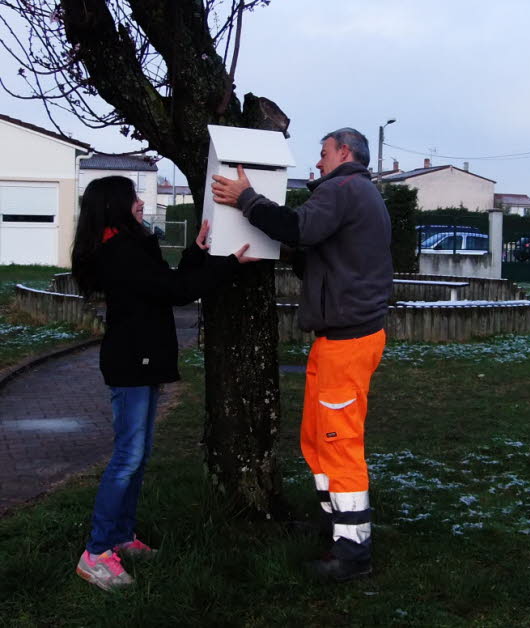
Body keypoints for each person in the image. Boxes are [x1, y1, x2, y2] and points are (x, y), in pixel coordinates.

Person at [212, 127, 393, 582]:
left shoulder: (344, 188)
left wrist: (247, 199)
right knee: (317, 439)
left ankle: (353, 555)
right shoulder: (358, 193)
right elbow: (319, 251)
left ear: (345, 152)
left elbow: (298, 227)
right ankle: (338, 529)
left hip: (347, 341)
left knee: (339, 443)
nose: (318, 163)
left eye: (323, 153)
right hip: (339, 339)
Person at [71, 175, 254, 591]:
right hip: (132, 362)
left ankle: (120, 536)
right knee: (128, 458)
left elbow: (166, 284)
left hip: (142, 360)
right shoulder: (119, 251)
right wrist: (226, 263)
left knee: (138, 453)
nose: (140, 204)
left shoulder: (130, 245)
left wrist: (197, 251)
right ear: (117, 205)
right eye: (134, 198)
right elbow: (176, 291)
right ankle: (96, 552)